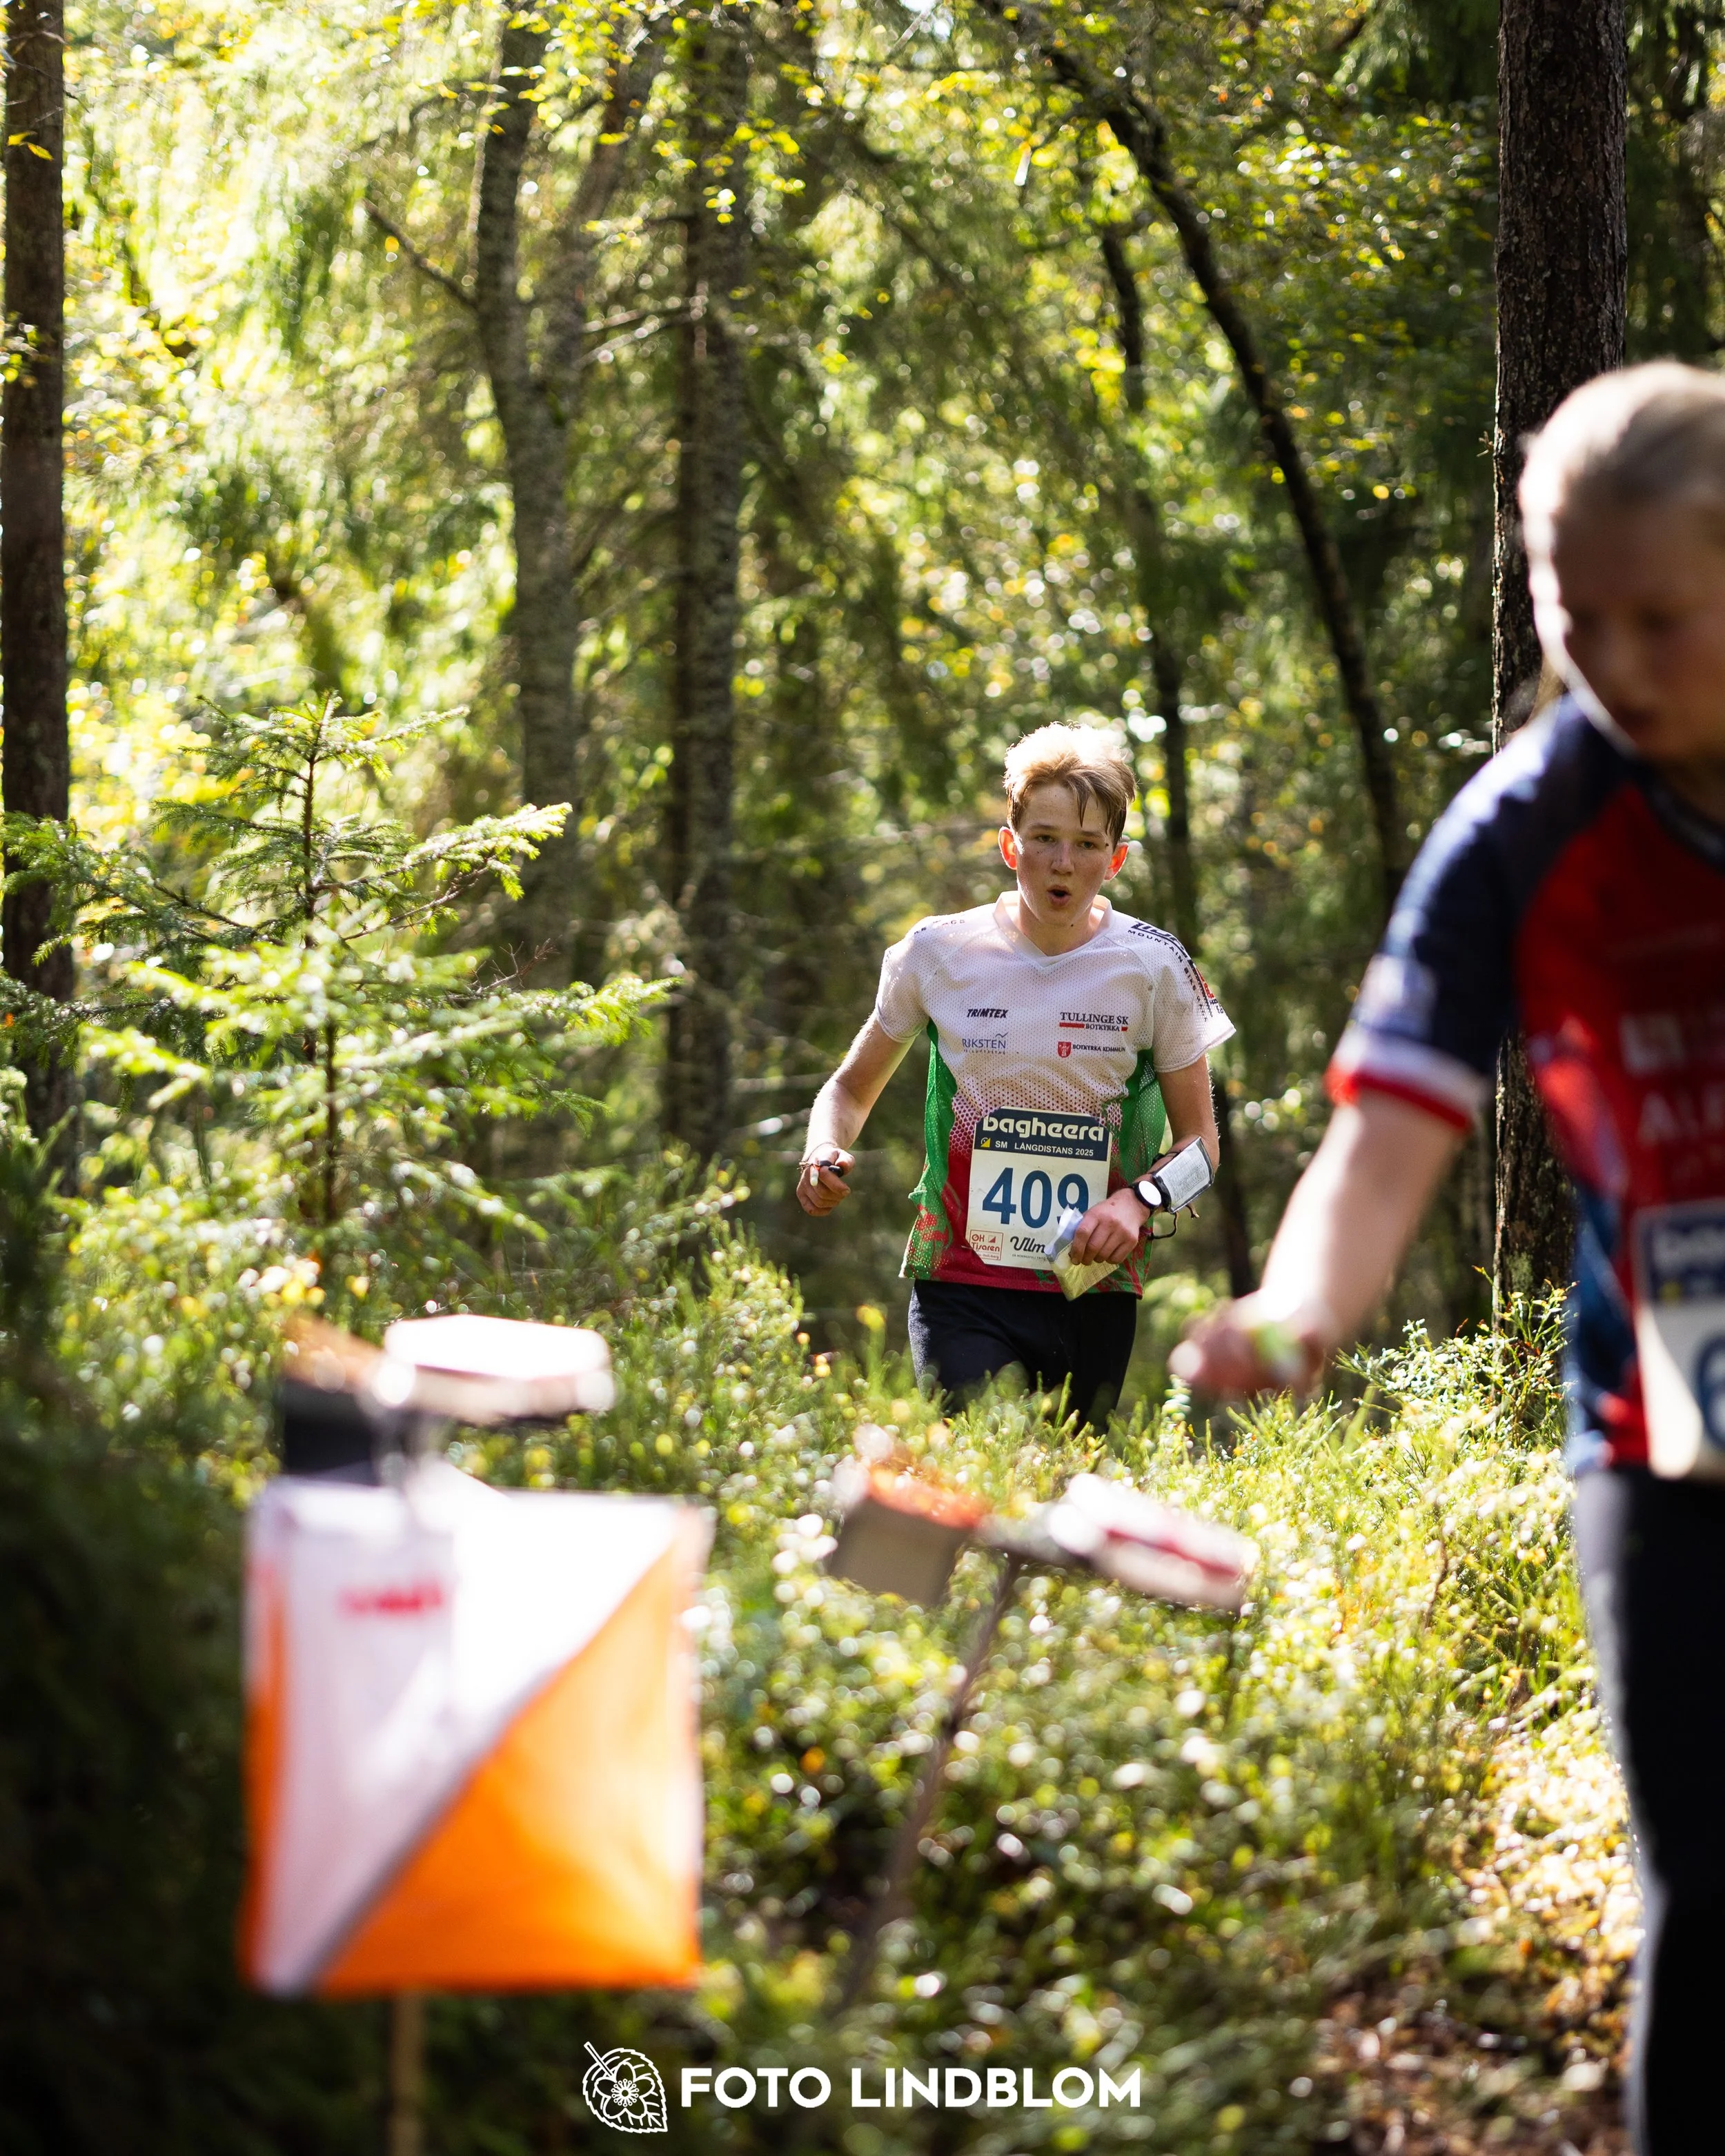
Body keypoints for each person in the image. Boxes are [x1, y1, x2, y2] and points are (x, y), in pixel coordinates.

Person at [1170, 361, 1725, 2156]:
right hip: (1669, 1431)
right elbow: (1388, 1125)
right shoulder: (1517, 834)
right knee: (1705, 1889)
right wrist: (1301, 1304)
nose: (1616, 666)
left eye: (1662, 619)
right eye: (1579, 619)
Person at [796, 723, 1232, 1427]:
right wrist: (823, 1147)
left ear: (1114, 860)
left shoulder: (1155, 965)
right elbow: (847, 1089)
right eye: (1044, 838)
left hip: (1091, 1284)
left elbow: (1202, 1146)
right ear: (1010, 845)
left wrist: (1138, 1202)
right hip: (960, 1280)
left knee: (1057, 1502)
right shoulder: (938, 951)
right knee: (982, 1468)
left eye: (1087, 845)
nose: (1063, 862)